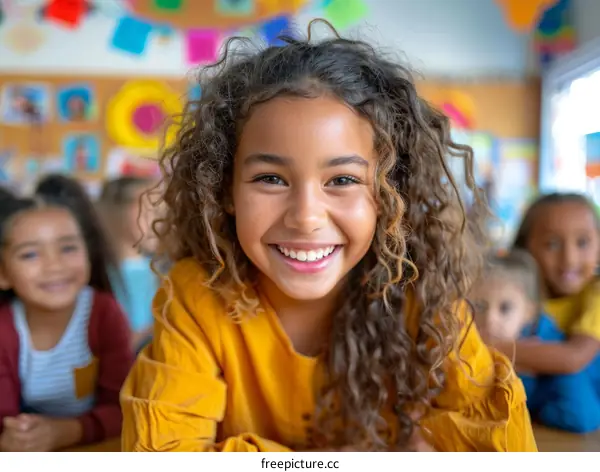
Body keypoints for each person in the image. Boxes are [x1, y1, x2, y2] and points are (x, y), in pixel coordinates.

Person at [120, 21, 536, 452]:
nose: (305, 217)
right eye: (270, 178)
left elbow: (500, 445)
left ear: (391, 192)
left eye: (341, 180)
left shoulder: (423, 295)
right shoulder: (195, 296)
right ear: (225, 190)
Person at [0, 191, 134, 452]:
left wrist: (64, 432)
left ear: (88, 253)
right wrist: (17, 436)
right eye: (30, 254)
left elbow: (125, 407)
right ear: (3, 273)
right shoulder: (4, 329)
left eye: (68, 248)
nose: (54, 265)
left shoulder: (104, 313)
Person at [490, 193, 600, 433]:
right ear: (524, 247)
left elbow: (574, 358)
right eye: (552, 244)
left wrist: (486, 346)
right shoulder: (513, 294)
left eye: (582, 243)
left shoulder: (597, 293)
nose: (569, 259)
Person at [98, 177, 159, 352]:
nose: (155, 218)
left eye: (155, 208)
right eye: (145, 208)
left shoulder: (161, 270)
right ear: (116, 212)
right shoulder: (99, 274)